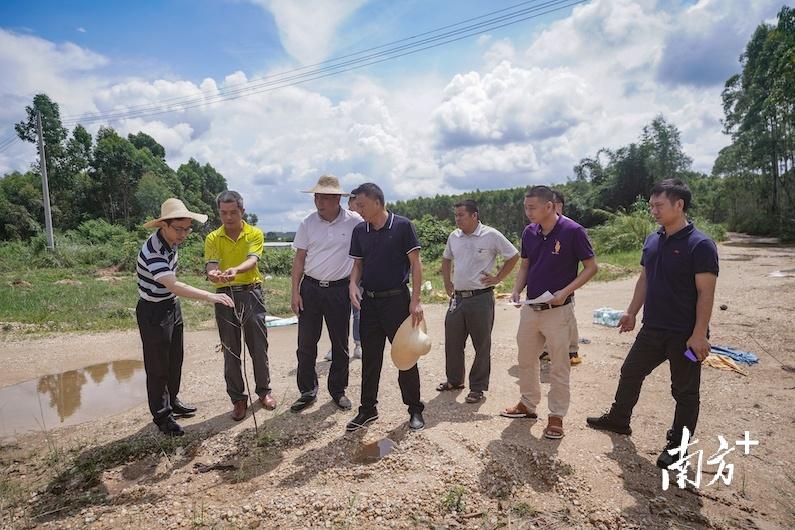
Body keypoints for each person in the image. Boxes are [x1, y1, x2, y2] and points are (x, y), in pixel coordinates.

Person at [586, 179, 719, 469]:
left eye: (659, 205)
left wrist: (699, 334)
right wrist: (632, 312)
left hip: (685, 334)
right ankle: (619, 419)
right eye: (651, 206)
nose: (653, 211)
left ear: (678, 205)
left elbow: (705, 293)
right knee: (630, 371)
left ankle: (677, 448)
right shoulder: (653, 239)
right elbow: (645, 279)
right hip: (653, 328)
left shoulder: (701, 245)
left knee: (684, 392)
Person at [500, 185, 598, 440]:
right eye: (526, 207)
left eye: (532, 207)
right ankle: (527, 404)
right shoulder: (529, 232)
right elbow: (525, 265)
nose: (528, 212)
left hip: (558, 310)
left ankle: (556, 416)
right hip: (532, 307)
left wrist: (565, 292)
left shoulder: (573, 231)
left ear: (550, 206)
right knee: (526, 359)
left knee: (558, 364)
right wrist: (516, 290)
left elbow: (591, 268)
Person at [136, 198, 234, 437]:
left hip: (171, 306)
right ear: (164, 226)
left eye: (187, 228)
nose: (183, 234)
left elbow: (174, 291)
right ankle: (162, 416)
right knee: (157, 366)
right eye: (178, 229)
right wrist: (212, 297)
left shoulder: (171, 242)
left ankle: (173, 401)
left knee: (174, 359)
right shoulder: (153, 251)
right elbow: (174, 285)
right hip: (153, 311)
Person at [345, 183, 426, 432]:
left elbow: (416, 265)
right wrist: (352, 285)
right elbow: (358, 264)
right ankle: (368, 409)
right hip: (369, 303)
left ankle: (414, 409)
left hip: (397, 302)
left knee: (406, 356)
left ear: (377, 203)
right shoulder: (360, 230)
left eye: (361, 204)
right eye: (356, 205)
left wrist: (416, 300)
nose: (358, 209)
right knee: (370, 358)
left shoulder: (402, 226)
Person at [290, 175, 363, 412]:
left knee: (340, 344)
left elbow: (360, 257)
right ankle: (307, 391)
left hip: (339, 290)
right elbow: (299, 259)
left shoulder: (354, 222)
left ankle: (338, 391)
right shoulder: (307, 223)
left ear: (336, 199)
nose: (318, 201)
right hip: (310, 289)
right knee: (306, 344)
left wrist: (355, 283)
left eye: (323, 197)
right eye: (316, 197)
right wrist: (295, 292)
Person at [436, 199, 519, 403]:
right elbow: (446, 259)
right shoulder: (454, 237)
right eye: (455, 215)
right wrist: (447, 282)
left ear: (474, 216)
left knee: (481, 344)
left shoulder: (490, 235)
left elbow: (513, 255)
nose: (457, 219)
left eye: (461, 215)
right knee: (453, 342)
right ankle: (454, 380)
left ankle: (477, 387)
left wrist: (498, 278)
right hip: (458, 299)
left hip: (481, 298)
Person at [204, 191, 274, 421]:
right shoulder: (213, 237)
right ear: (219, 213)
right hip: (224, 295)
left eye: (233, 212)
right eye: (224, 213)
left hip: (250, 292)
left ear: (242, 211)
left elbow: (253, 259)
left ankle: (264, 392)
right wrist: (213, 275)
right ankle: (238, 399)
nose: (228, 217)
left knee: (258, 346)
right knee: (231, 349)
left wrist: (236, 270)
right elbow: (211, 265)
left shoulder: (254, 233)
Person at [539, 190, 583, 365]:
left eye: (554, 205)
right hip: (543, 286)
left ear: (559, 206)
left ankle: (572, 350)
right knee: (544, 318)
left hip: (564, 287)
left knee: (568, 317)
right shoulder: (539, 229)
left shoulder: (571, 229)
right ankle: (546, 350)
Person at [323, 193, 364, 362]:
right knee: (338, 316)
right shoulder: (343, 223)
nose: (354, 209)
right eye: (352, 205)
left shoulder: (361, 223)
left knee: (358, 311)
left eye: (358, 206)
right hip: (339, 279)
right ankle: (336, 346)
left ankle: (358, 343)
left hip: (358, 275)